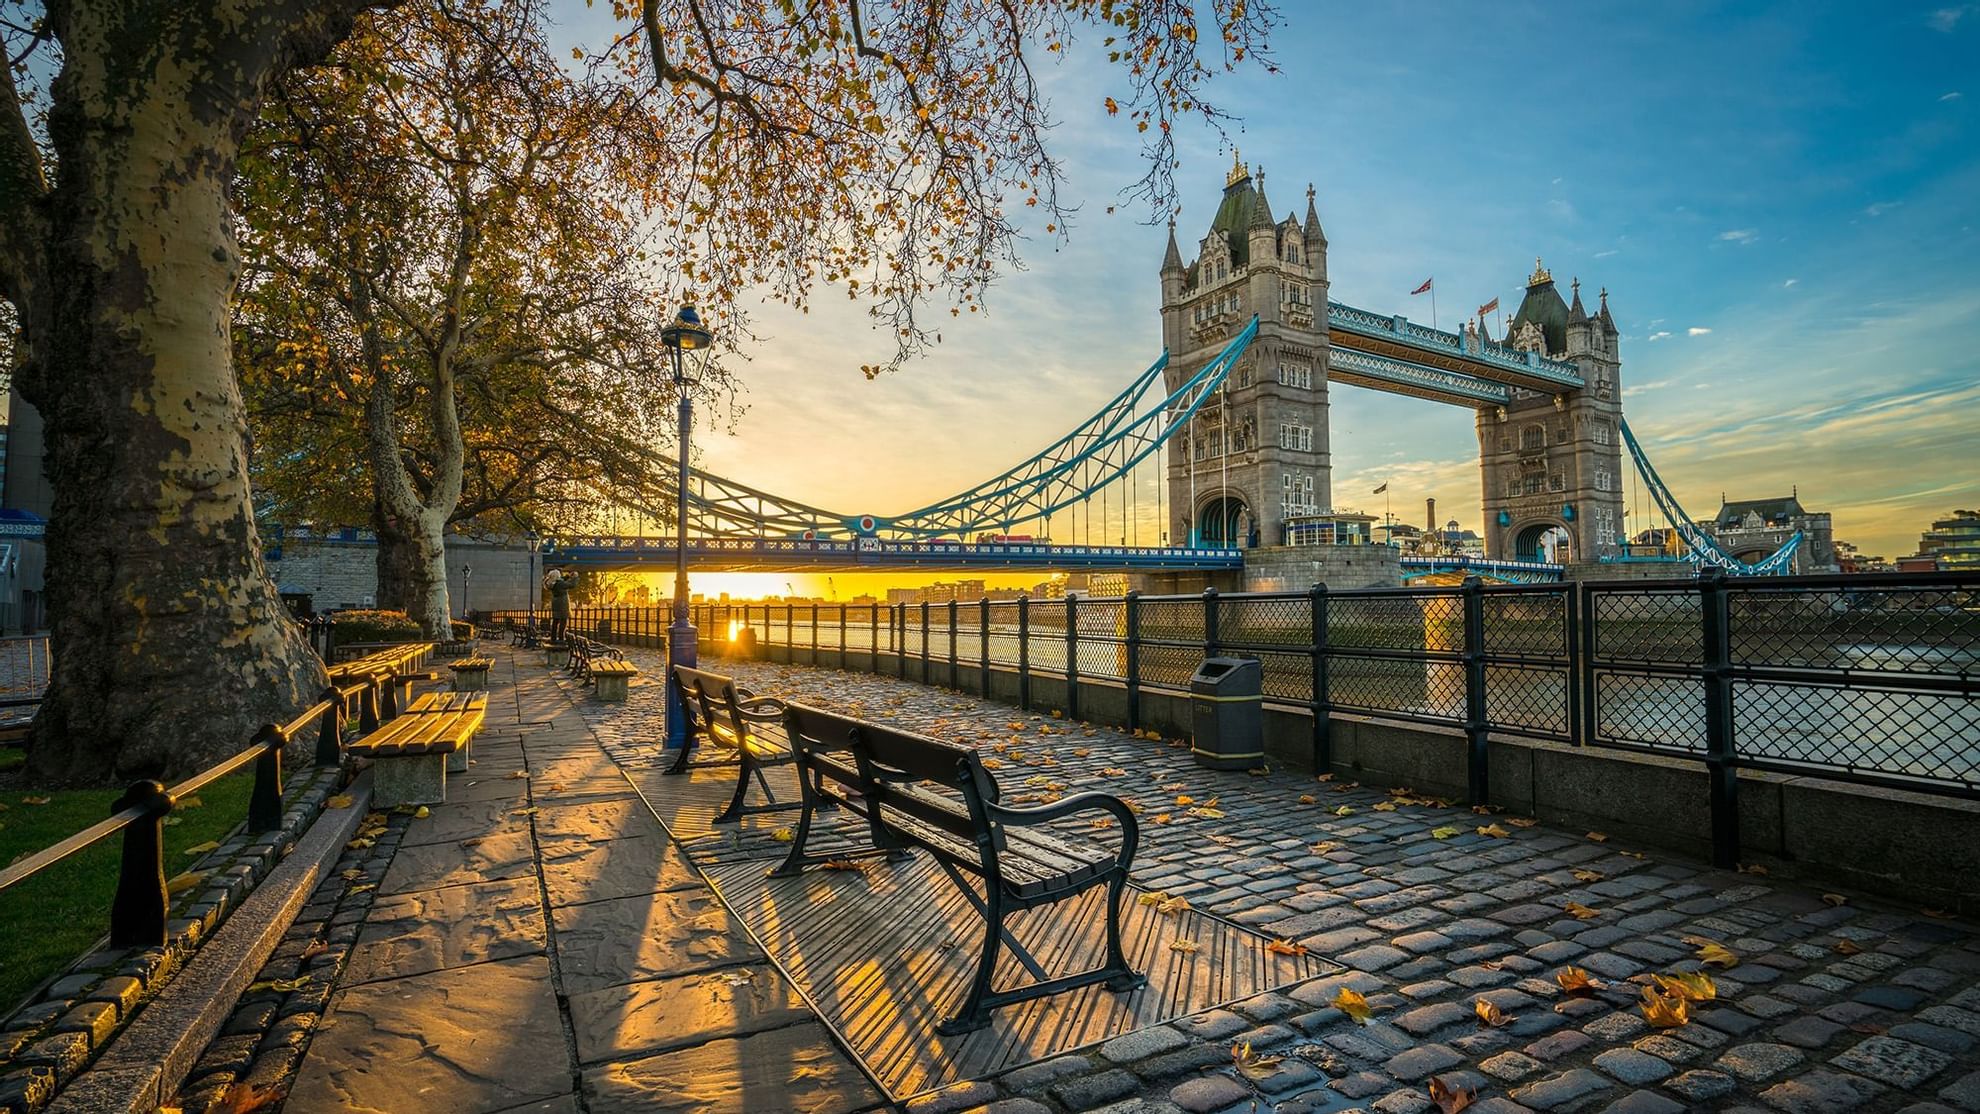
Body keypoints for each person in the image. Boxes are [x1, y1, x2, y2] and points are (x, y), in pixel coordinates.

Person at [545, 567, 572, 643]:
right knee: (563, 621)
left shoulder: (553, 583)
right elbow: (571, 585)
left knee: (555, 621)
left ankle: (553, 638)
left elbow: (562, 580)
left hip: (556, 604)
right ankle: (561, 638)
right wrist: (576, 577)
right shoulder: (559, 584)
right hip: (562, 604)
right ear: (557, 576)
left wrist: (568, 576)